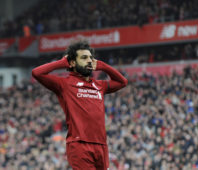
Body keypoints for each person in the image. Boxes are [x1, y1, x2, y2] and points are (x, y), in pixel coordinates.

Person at [32, 40, 128, 170]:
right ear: (72, 63)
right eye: (84, 58)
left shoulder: (99, 85)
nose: (89, 60)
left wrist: (103, 66)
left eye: (90, 57)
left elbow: (122, 82)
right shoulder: (64, 84)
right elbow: (37, 73)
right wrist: (61, 63)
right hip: (79, 145)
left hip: (101, 145)